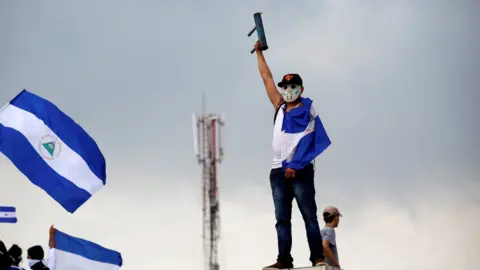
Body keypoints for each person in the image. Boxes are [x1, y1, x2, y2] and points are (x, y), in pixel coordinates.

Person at [254, 41, 332, 269]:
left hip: (300, 170)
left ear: (301, 89)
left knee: (309, 214)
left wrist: (296, 165)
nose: (288, 91)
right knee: (281, 219)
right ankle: (283, 260)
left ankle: (317, 258)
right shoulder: (278, 105)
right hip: (278, 170)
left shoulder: (307, 109)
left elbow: (310, 139)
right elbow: (266, 78)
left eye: (293, 87)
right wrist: (258, 52)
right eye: (285, 87)